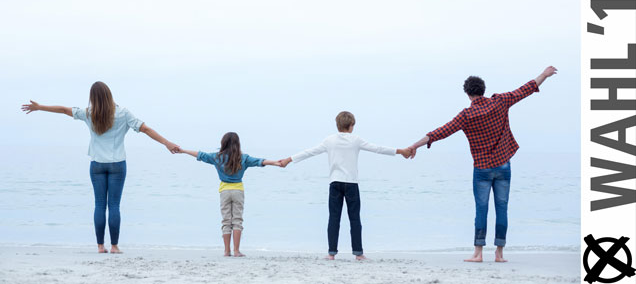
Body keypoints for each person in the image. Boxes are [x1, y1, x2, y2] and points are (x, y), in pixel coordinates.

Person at [407, 66, 558, 262]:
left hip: (482, 168)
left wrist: (415, 145)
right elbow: (526, 89)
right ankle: (499, 253)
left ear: (468, 94)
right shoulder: (500, 102)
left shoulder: (466, 116)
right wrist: (544, 75)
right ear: (483, 90)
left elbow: (441, 131)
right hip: (504, 165)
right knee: (502, 208)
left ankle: (478, 253)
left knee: (481, 209)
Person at [21, 81, 180, 254]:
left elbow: (64, 110)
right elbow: (146, 129)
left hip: (97, 165)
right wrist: (166, 143)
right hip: (117, 164)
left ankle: (99, 246)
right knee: (114, 205)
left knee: (99, 205)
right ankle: (114, 246)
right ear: (109, 95)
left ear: (92, 98)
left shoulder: (89, 113)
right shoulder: (123, 113)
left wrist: (39, 107)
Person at [279, 111, 412, 260]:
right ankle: (358, 254)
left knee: (334, 218)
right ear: (351, 126)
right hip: (351, 184)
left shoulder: (329, 140)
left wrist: (288, 160)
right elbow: (377, 148)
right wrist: (401, 151)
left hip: (335, 183)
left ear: (337, 125)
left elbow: (309, 152)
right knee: (354, 218)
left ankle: (331, 254)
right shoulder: (356, 140)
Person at [177, 132, 282, 257]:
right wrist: (276, 162)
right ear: (238, 144)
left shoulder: (217, 157)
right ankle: (236, 251)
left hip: (224, 191)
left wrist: (183, 151)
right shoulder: (243, 158)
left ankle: (227, 251)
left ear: (223, 143)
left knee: (226, 220)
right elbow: (260, 161)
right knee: (237, 220)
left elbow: (201, 155)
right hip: (238, 191)